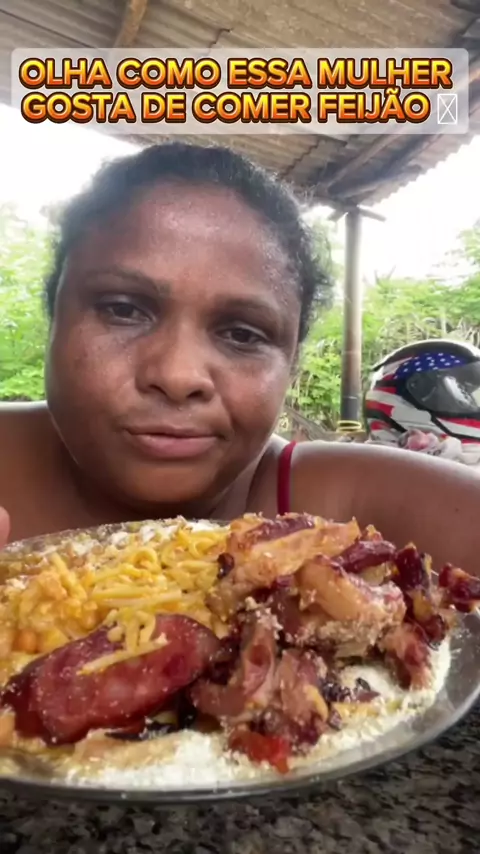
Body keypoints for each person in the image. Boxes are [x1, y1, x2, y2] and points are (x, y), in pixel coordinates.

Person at [1, 141, 480, 578]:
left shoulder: (352, 513)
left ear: (290, 363)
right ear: (54, 318)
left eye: (242, 334)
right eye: (123, 310)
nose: (178, 375)